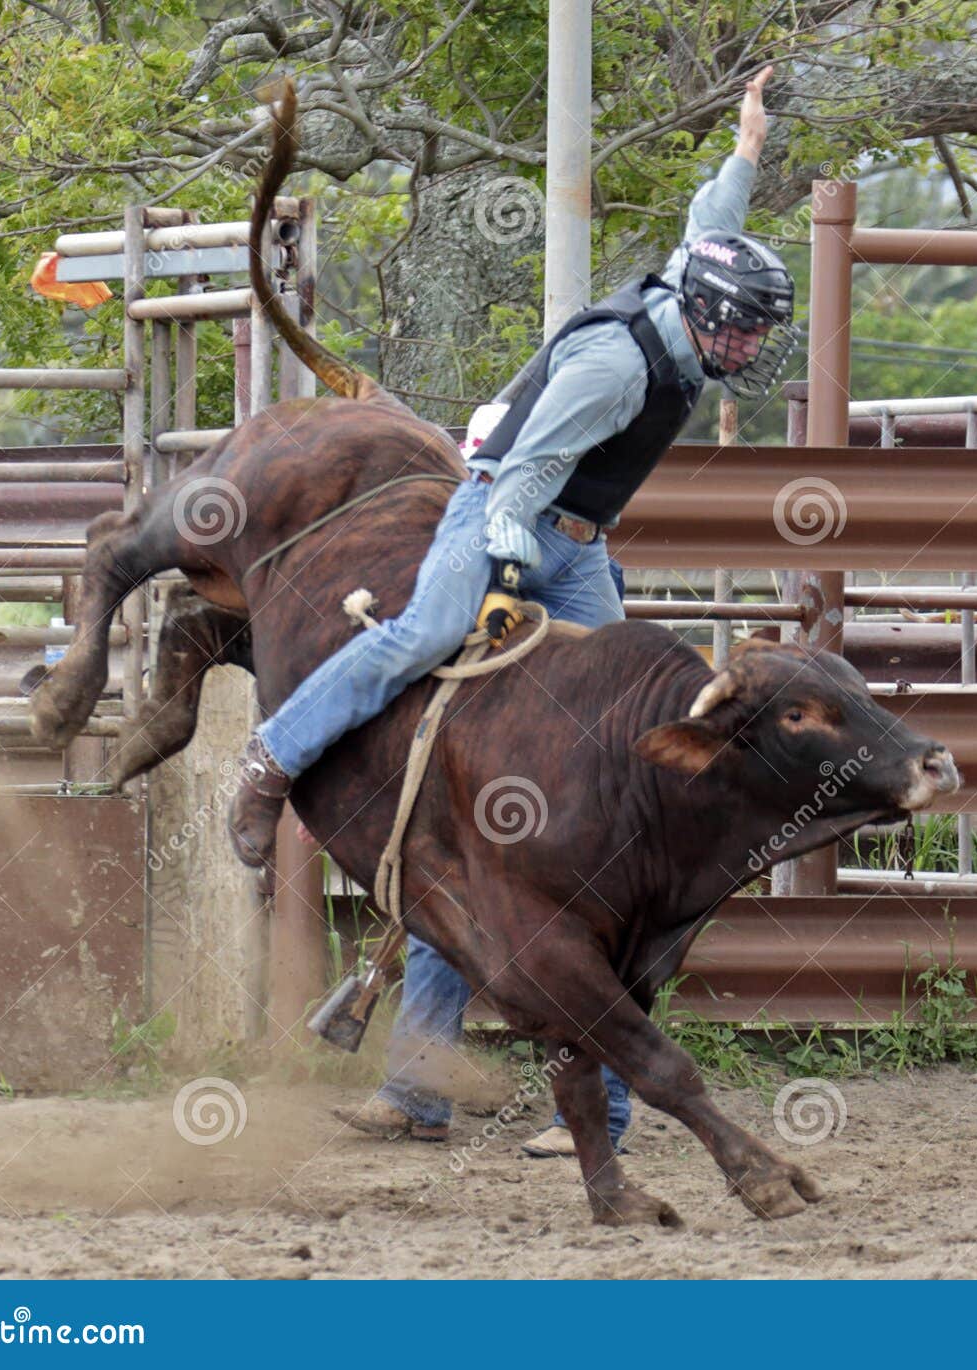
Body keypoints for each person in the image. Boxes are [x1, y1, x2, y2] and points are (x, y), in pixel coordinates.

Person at [231, 65, 796, 1154]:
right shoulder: (617, 369)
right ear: (709, 321)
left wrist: (746, 142)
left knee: (617, 745)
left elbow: (708, 223)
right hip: (511, 514)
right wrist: (500, 564)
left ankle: (433, 1090)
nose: (752, 348)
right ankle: (272, 756)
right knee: (425, 634)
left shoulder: (685, 299)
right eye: (746, 333)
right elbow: (526, 468)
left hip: (576, 539)